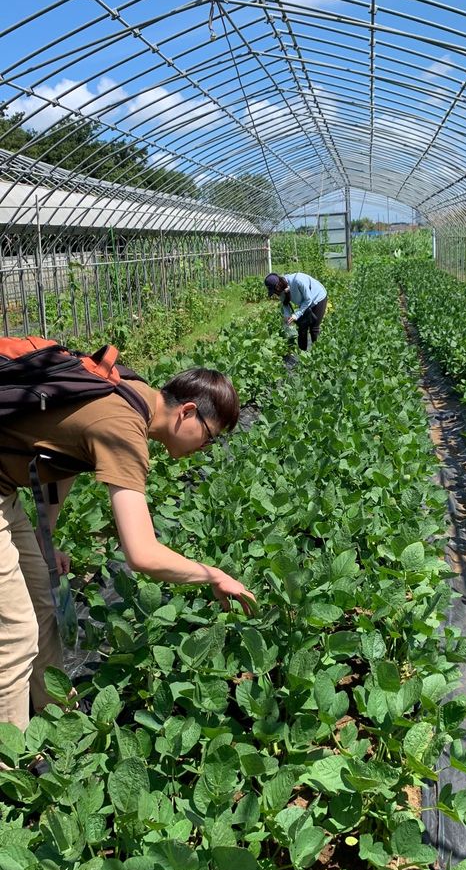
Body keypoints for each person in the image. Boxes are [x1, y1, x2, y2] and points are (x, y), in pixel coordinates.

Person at [0, 366, 256, 731]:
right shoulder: (125, 430)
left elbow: (65, 454)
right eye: (208, 437)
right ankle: (14, 765)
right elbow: (142, 554)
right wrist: (212, 575)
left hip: (6, 490)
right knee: (16, 636)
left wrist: (46, 539)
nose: (204, 449)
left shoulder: (131, 389)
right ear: (186, 412)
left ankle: (59, 722)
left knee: (42, 603)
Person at [264, 271, 327, 351]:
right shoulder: (281, 290)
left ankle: (318, 353)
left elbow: (308, 300)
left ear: (278, 286)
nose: (275, 293)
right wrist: (287, 316)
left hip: (318, 297)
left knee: (314, 328)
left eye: (274, 291)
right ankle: (302, 355)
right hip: (305, 302)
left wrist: (296, 315)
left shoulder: (297, 280)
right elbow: (285, 303)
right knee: (302, 328)